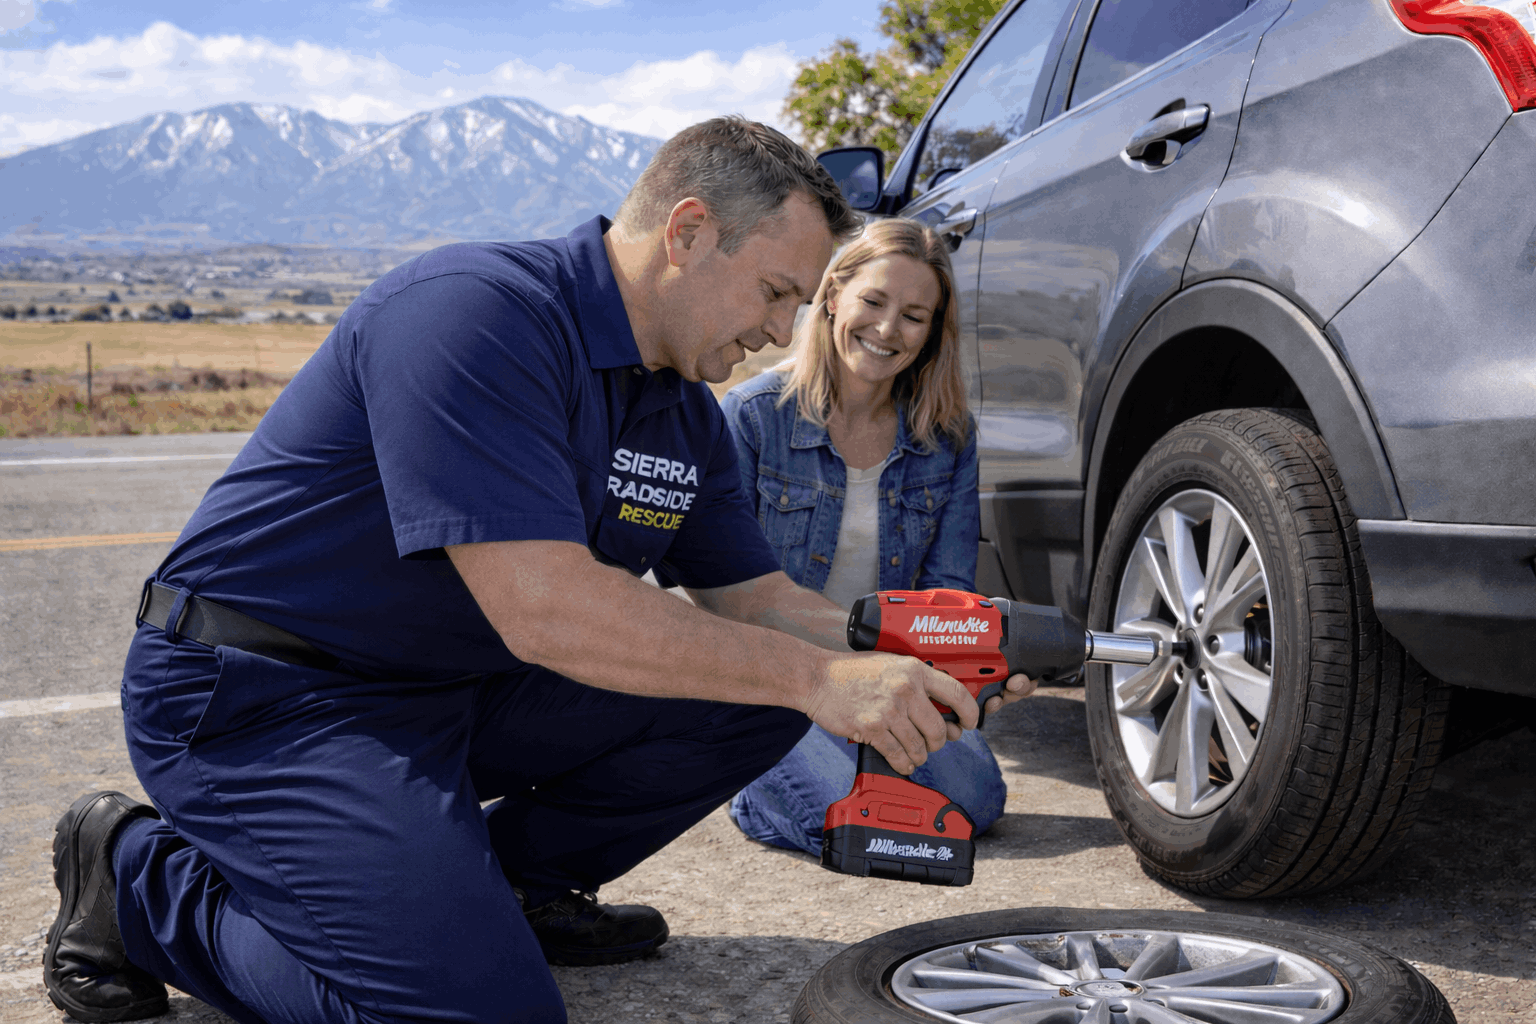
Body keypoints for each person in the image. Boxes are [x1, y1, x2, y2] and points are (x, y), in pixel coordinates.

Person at [43, 117, 1035, 1024]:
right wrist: (820, 677)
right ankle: (139, 885)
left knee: (763, 691)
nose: (783, 333)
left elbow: (758, 601)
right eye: (777, 293)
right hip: (266, 697)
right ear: (688, 232)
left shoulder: (682, 410)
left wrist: (912, 654)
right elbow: (544, 608)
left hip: (445, 695)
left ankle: (507, 892)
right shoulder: (479, 313)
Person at [721, 218, 1009, 857]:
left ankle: (825, 779)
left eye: (914, 315)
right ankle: (746, 782)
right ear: (832, 296)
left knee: (978, 799)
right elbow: (727, 595)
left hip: (889, 679)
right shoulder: (749, 419)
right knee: (853, 819)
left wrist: (981, 672)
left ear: (933, 332)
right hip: (774, 686)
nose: (887, 329)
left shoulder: (948, 438)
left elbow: (947, 596)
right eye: (873, 302)